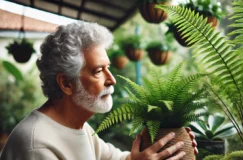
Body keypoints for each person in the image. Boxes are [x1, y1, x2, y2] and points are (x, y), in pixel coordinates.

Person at [0, 22, 197, 160]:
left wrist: (162, 146)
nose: (111, 79)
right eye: (98, 71)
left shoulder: (80, 128)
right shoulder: (37, 146)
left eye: (108, 67)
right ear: (67, 83)